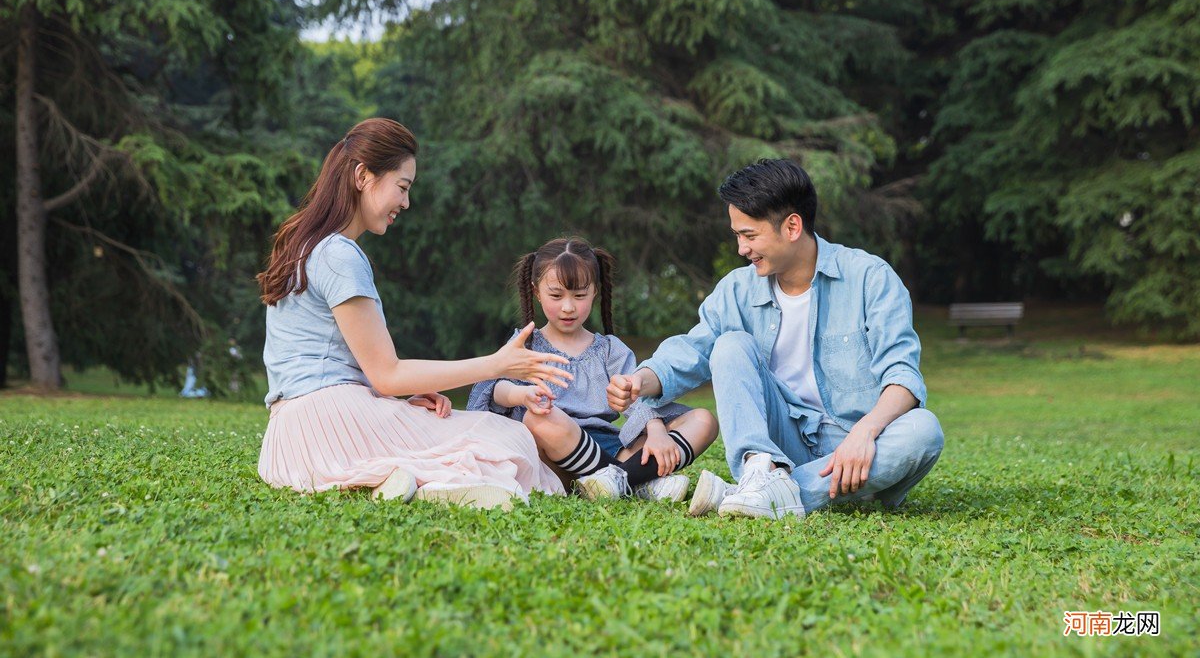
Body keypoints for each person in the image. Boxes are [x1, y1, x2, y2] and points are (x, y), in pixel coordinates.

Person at [255, 118, 572, 510]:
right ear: (362, 176)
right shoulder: (339, 254)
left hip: (287, 447)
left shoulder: (304, 246)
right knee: (509, 437)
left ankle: (399, 481)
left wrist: (394, 401)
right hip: (330, 423)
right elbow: (388, 375)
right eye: (402, 187)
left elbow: (344, 367)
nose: (405, 202)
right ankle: (433, 484)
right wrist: (497, 364)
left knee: (467, 432)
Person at [607, 159, 944, 519]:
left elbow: (902, 377)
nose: (741, 248)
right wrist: (640, 381)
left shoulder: (870, 278)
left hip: (858, 446)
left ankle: (760, 494)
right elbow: (693, 350)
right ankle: (763, 475)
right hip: (781, 446)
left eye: (749, 235)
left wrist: (864, 433)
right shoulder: (737, 290)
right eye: (737, 235)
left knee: (924, 431)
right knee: (730, 345)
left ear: (792, 226)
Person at [468, 238, 718, 501]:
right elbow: (493, 388)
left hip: (609, 448)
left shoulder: (610, 350)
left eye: (579, 295)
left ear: (595, 292)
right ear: (536, 291)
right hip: (552, 455)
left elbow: (638, 401)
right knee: (538, 419)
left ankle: (617, 482)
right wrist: (521, 395)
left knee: (704, 421)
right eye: (556, 295)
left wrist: (656, 431)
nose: (568, 307)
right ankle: (637, 481)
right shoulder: (526, 343)